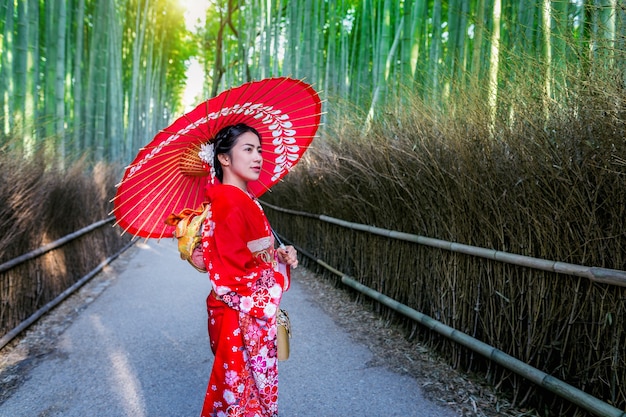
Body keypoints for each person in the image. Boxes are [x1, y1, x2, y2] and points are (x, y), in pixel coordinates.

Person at [192, 123, 298, 417]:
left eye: (259, 150)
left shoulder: (242, 198)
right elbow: (234, 274)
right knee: (242, 398)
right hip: (240, 314)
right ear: (224, 158)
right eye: (248, 149)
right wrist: (275, 276)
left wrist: (277, 255)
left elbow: (249, 254)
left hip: (246, 311)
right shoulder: (228, 200)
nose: (258, 158)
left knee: (243, 397)